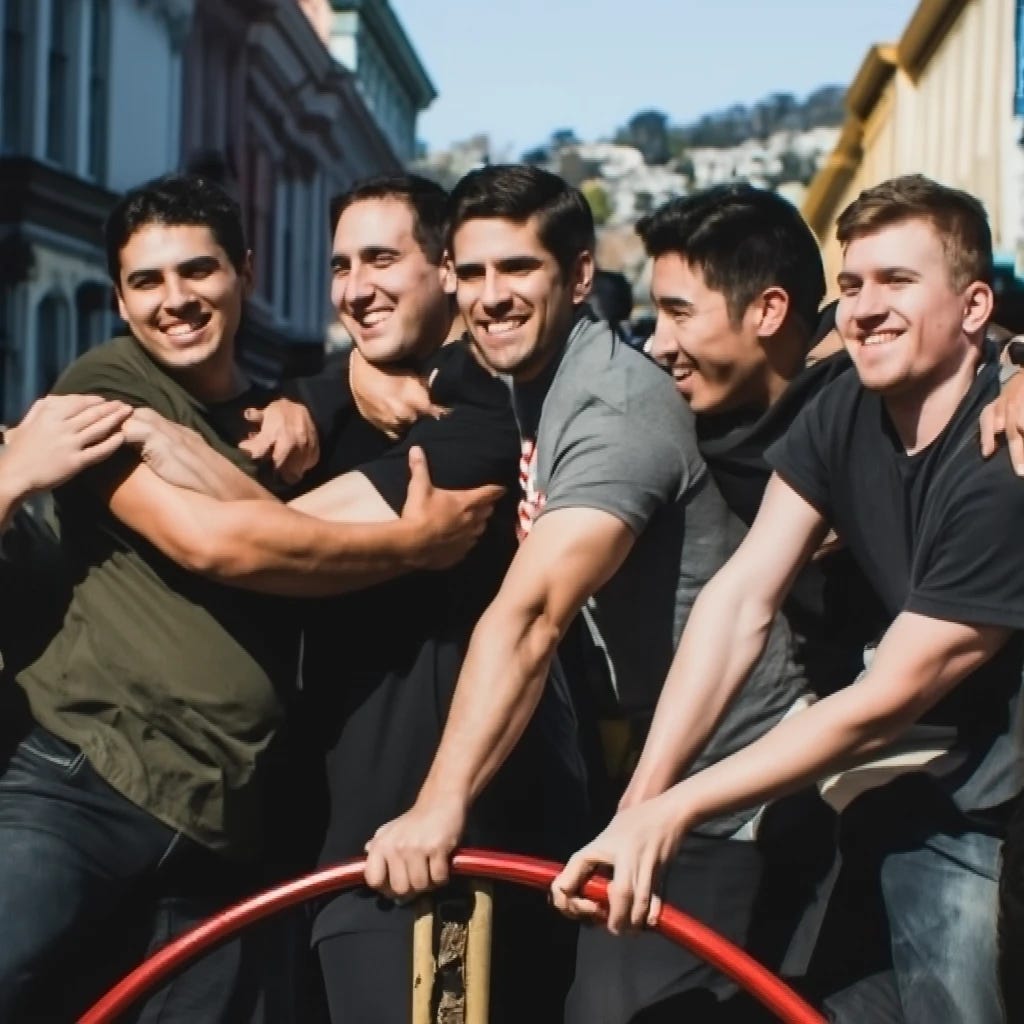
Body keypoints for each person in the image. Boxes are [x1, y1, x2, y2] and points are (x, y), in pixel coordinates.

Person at [0, 173, 498, 1022]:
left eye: (198, 272)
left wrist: (337, 386)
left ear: (246, 275)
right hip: (95, 777)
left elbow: (270, 496)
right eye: (147, 283)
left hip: (229, 820)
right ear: (120, 302)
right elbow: (217, 543)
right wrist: (411, 546)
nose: (176, 301)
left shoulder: (274, 412)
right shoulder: (109, 388)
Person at [552, 174, 1023, 1024]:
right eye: (852, 284)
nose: (865, 307)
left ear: (976, 305)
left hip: (990, 806)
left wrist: (681, 805)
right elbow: (739, 598)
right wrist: (641, 805)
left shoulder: (1006, 460)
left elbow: (888, 698)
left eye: (899, 283)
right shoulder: (841, 405)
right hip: (917, 784)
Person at [361, 164, 807, 1018]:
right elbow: (427, 365)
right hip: (635, 775)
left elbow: (531, 615)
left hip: (724, 785)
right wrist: (346, 381)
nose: (493, 295)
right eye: (475, 271)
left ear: (576, 277)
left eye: (519, 269)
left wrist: (438, 804)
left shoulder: (612, 407)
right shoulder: (523, 377)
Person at [286, 174, 584, 1023]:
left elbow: (268, 536)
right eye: (341, 264)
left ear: (446, 272)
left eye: (382, 258)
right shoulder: (338, 398)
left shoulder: (500, 399)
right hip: (347, 838)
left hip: (452, 846)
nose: (355, 286)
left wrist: (141, 440)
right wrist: (341, 382)